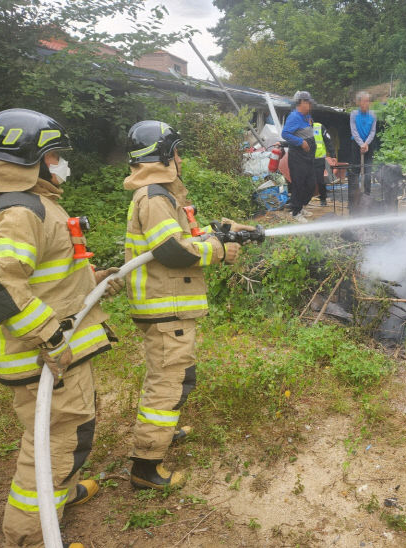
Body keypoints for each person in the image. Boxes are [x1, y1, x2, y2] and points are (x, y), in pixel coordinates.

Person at [0, 108, 123, 548]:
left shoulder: (28, 203)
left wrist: (95, 280)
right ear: (31, 157)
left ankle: (60, 496)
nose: (59, 164)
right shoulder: (21, 210)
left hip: (43, 355)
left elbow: (43, 276)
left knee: (58, 435)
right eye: (53, 155)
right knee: (54, 442)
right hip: (43, 357)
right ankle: (30, 536)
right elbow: (0, 283)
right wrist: (50, 335)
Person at [124, 120, 255, 490]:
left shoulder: (161, 195)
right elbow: (171, 251)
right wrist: (220, 250)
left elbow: (182, 237)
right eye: (176, 152)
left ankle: (164, 431)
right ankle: (145, 468)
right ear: (163, 155)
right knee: (168, 382)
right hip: (165, 308)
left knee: (180, 376)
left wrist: (222, 231)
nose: (180, 158)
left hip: (168, 307)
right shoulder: (154, 197)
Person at [281, 91, 316, 222]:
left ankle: (300, 207)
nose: (310, 105)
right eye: (307, 102)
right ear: (300, 103)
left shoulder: (306, 117)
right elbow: (285, 133)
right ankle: (296, 212)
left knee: (311, 184)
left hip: (308, 157)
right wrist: (301, 142)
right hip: (297, 156)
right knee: (299, 184)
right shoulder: (294, 117)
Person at [349, 91, 377, 198]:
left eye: (368, 101)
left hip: (368, 144)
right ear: (359, 102)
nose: (367, 103)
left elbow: (373, 131)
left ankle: (367, 195)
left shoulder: (373, 115)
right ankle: (354, 195)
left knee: (368, 169)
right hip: (356, 144)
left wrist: (366, 144)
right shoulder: (354, 114)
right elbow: (354, 131)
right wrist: (361, 144)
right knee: (356, 170)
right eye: (364, 101)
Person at [312, 121, 336, 207]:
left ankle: (323, 199)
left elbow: (328, 141)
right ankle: (303, 200)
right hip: (306, 159)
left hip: (319, 158)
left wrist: (333, 155)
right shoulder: (302, 127)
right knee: (306, 180)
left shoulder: (319, 127)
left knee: (320, 180)